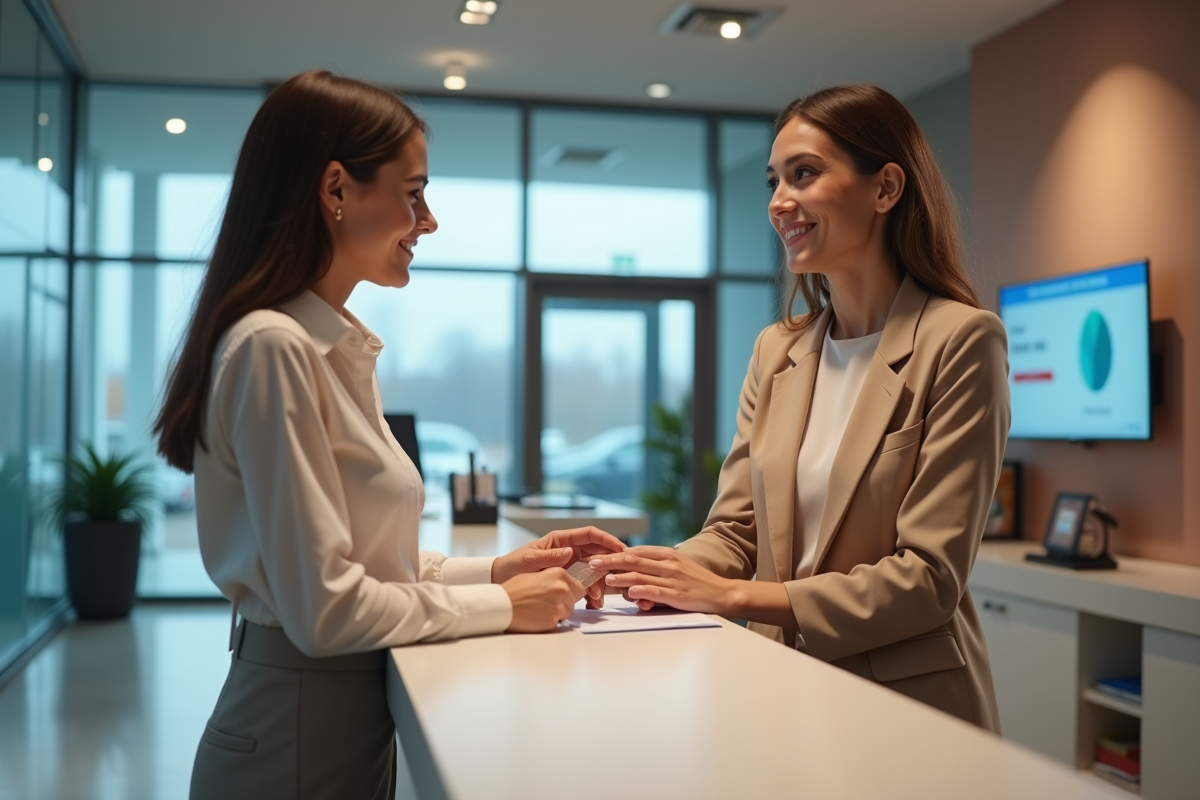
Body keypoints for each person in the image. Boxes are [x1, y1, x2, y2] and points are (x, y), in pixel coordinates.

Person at [153, 71, 624, 800]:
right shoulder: (274, 348)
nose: (427, 221)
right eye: (413, 193)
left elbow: (370, 566)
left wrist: (500, 571)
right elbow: (328, 609)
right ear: (335, 189)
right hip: (294, 735)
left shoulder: (332, 347)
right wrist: (506, 608)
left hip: (330, 719)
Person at [588, 84, 1009, 731]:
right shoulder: (777, 350)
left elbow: (928, 579)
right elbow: (736, 531)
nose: (779, 202)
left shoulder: (961, 340)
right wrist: (640, 574)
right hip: (775, 685)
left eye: (804, 174)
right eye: (774, 181)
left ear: (886, 188)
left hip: (905, 706)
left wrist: (734, 595)